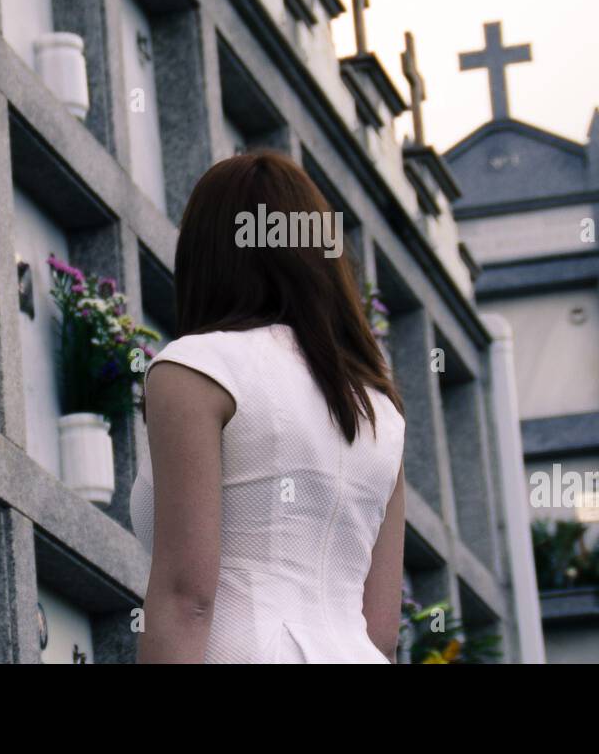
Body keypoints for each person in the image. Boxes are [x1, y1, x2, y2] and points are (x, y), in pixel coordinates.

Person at [131, 151, 406, 663]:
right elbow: (383, 628)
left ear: (206, 254)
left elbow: (186, 598)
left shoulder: (197, 368)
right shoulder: (379, 411)